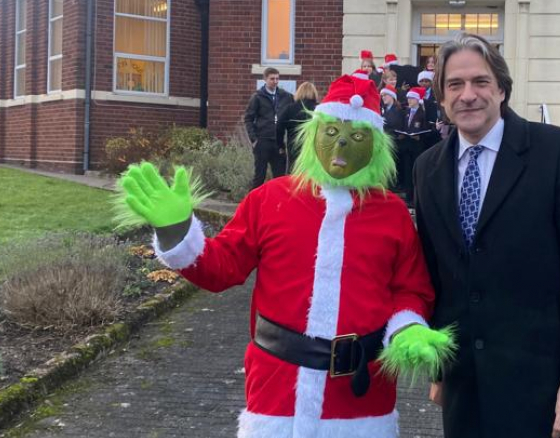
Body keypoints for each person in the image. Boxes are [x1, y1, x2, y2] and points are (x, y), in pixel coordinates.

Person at [116, 75, 455, 438]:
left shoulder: (392, 213)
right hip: (276, 393)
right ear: (313, 135)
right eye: (331, 131)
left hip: (361, 399)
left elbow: (411, 287)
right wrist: (177, 232)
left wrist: (407, 329)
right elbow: (222, 267)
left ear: (375, 147)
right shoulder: (269, 199)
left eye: (357, 136)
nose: (341, 142)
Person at [413, 33, 560, 438]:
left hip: (547, 392)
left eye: (480, 82)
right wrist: (439, 365)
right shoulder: (427, 169)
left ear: (501, 89)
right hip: (466, 390)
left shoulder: (555, 153)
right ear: (443, 98)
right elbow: (435, 278)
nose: (468, 95)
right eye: (455, 85)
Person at [244, 67, 293, 188]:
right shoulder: (257, 97)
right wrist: (254, 139)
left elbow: (293, 114)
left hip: (279, 142)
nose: (275, 81)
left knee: (280, 178)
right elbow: (248, 118)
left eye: (277, 78)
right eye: (272, 79)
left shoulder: (285, 96)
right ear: (265, 79)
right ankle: (253, 205)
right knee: (259, 176)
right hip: (262, 141)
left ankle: (278, 205)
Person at [277, 81, 319, 171]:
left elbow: (279, 128)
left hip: (294, 145)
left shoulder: (289, 108)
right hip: (313, 146)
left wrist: (281, 145)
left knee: (294, 173)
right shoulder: (319, 109)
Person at [399, 87, 427, 206]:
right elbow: (403, 126)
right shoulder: (406, 112)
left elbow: (426, 129)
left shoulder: (422, 114)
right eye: (408, 98)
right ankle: (408, 195)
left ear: (417, 100)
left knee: (416, 172)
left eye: (411, 98)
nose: (409, 101)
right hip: (407, 146)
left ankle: (416, 197)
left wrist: (419, 136)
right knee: (407, 171)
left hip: (417, 147)